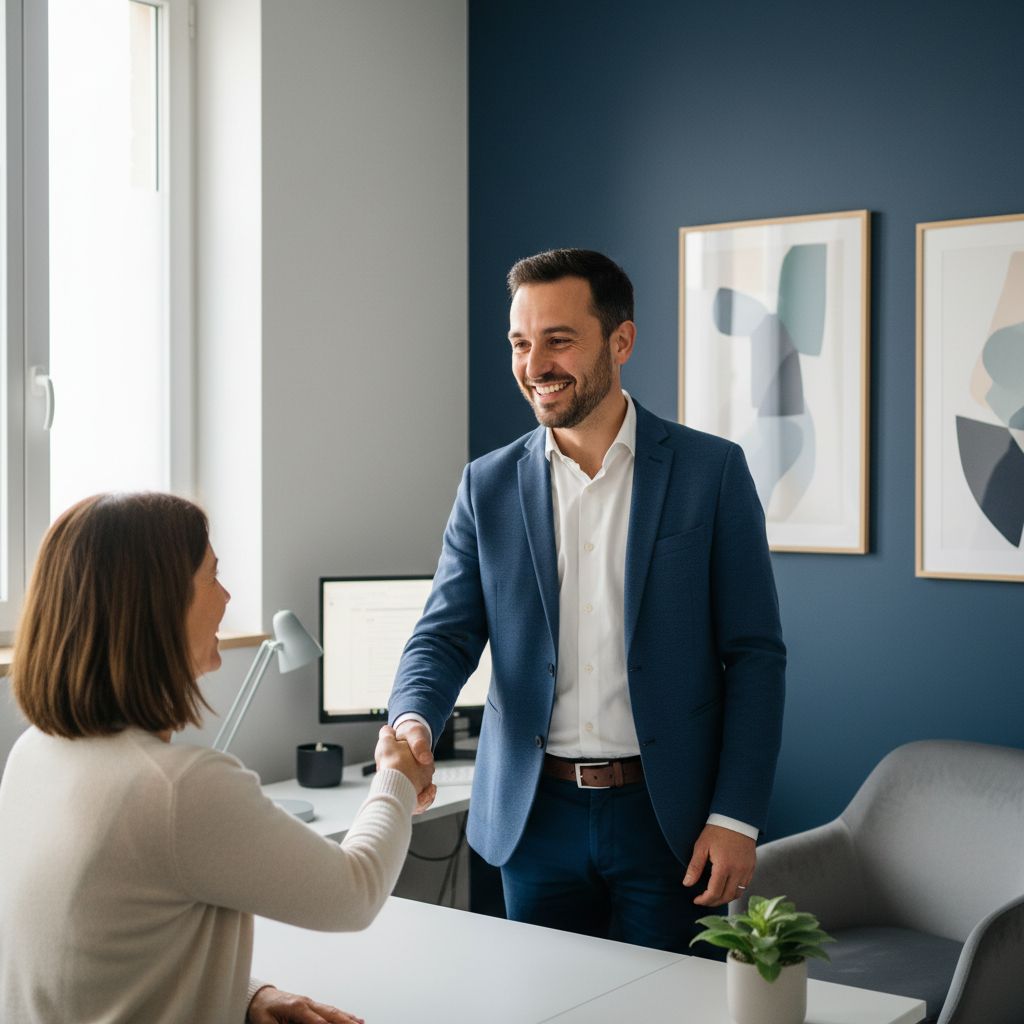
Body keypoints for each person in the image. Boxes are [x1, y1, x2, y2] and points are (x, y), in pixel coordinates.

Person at [388, 248, 786, 952]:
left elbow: (754, 656)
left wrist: (736, 816)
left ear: (620, 341)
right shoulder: (487, 486)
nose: (535, 364)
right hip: (533, 816)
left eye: (559, 340)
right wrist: (415, 718)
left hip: (669, 818)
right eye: (520, 343)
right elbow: (443, 636)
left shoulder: (711, 473)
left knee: (663, 1011)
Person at [0, 492, 432, 1024]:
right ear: (157, 606)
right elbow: (356, 891)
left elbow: (88, 952)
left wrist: (246, 994)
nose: (226, 597)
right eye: (212, 576)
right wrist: (396, 780)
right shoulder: (176, 788)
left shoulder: (34, 756)